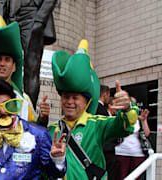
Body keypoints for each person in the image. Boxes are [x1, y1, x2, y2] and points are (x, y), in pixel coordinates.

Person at [48, 39, 139, 179]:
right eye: (66, 96)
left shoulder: (97, 124)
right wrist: (57, 161)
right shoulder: (52, 130)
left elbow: (123, 127)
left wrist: (127, 109)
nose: (69, 102)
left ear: (86, 102)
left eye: (75, 97)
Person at [0, 0, 58, 108]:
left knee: (31, 68)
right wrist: (0, 17)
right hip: (11, 17)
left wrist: (40, 20)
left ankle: (29, 112)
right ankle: (2, 107)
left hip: (31, 16)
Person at [115, 97, 150, 180]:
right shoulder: (120, 117)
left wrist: (143, 121)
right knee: (121, 177)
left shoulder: (139, 119)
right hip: (121, 152)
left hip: (137, 153)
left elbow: (147, 133)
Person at [96, 85, 117, 180]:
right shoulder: (100, 110)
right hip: (105, 150)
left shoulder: (94, 108)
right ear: (105, 94)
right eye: (109, 95)